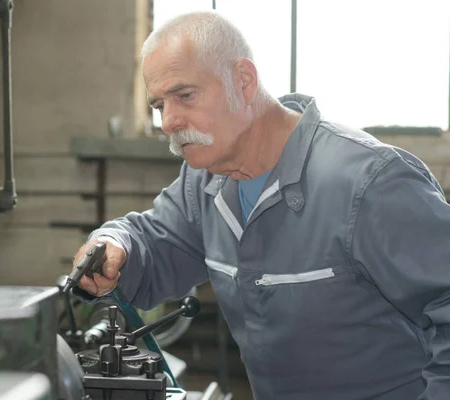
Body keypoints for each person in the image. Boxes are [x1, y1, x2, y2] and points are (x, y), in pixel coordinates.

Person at [71, 10, 450, 400]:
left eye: (184, 95)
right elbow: (154, 242)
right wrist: (115, 243)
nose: (169, 121)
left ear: (244, 81)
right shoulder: (205, 183)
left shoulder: (370, 183)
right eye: (158, 106)